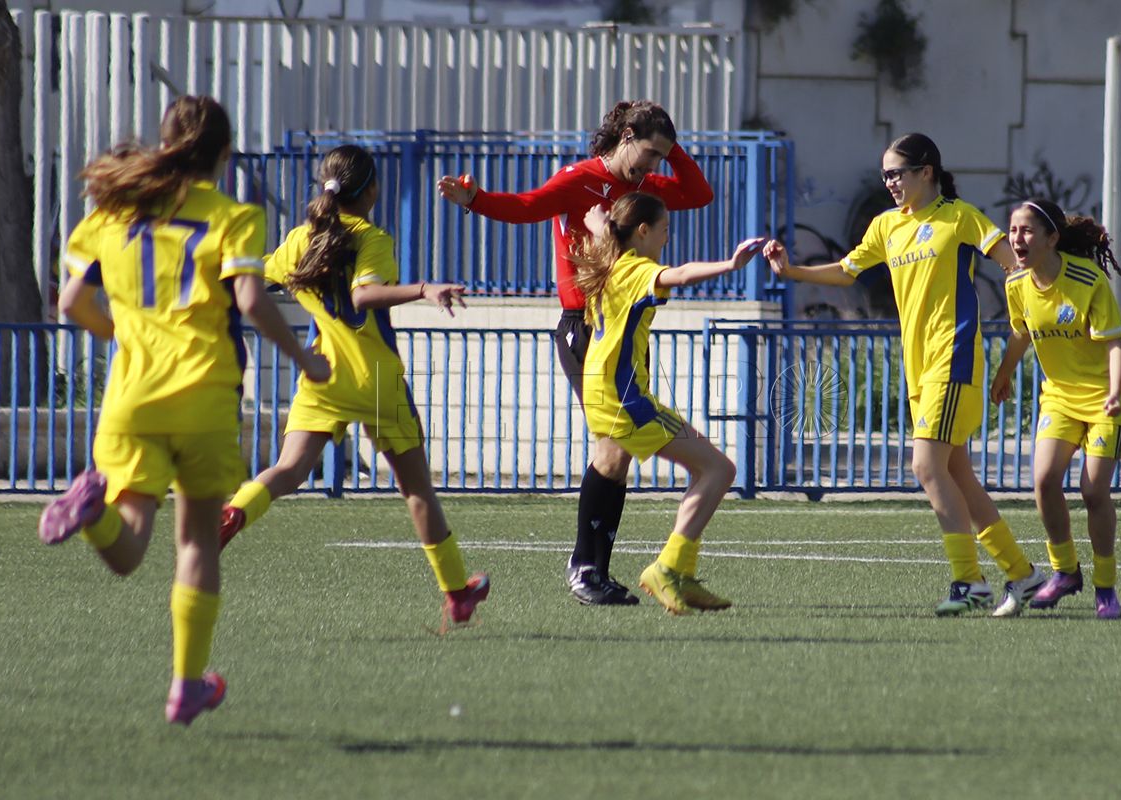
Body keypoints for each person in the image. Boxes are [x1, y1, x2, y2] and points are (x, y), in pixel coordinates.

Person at [38, 96, 331, 724]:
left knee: (126, 550)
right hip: (204, 395)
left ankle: (92, 511)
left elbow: (69, 302)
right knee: (196, 541)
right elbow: (251, 301)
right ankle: (185, 683)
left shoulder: (113, 214)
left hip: (131, 398)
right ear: (223, 157)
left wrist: (117, 332)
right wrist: (305, 361)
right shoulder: (231, 216)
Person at [437, 101, 714, 606]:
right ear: (625, 134)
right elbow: (525, 206)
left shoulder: (642, 187)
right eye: (650, 152)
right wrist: (474, 199)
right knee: (613, 452)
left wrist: (673, 152)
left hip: (619, 336)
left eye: (661, 158)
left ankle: (591, 571)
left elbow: (699, 193)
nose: (654, 166)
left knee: (617, 455)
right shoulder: (578, 178)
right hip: (585, 331)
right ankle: (586, 570)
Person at [763, 132, 1044, 617]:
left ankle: (969, 581)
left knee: (925, 466)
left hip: (953, 359)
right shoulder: (886, 226)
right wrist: (793, 273)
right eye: (885, 174)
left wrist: (1030, 319)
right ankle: (1023, 575)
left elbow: (1011, 265)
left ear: (926, 172)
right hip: (919, 368)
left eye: (897, 172)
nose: (890, 181)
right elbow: (848, 270)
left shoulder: (958, 217)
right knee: (958, 475)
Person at [216, 145, 491, 629]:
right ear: (371, 191)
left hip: (323, 373)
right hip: (377, 380)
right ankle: (456, 594)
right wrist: (424, 288)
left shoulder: (301, 238)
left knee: (288, 469)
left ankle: (234, 512)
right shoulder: (372, 238)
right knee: (417, 491)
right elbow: (364, 295)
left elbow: (250, 275)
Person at [572, 192, 758, 614]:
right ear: (643, 232)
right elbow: (683, 275)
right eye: (665, 230)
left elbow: (614, 239)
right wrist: (730, 265)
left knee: (631, 468)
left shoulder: (612, 263)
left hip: (604, 389)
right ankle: (668, 568)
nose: (667, 238)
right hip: (624, 397)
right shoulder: (636, 269)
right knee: (718, 468)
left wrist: (602, 226)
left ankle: (677, 575)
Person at [989, 199, 1121, 619]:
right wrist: (1004, 372)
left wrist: (1112, 391)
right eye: (1013, 230)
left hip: (1109, 397)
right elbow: (1021, 334)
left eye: (1027, 231)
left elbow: (1113, 342)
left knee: (1093, 492)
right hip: (1059, 396)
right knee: (1044, 480)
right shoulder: (1017, 285)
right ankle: (1065, 572)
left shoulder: (1086, 278)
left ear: (1052, 238)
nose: (1017, 239)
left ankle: (1106, 588)